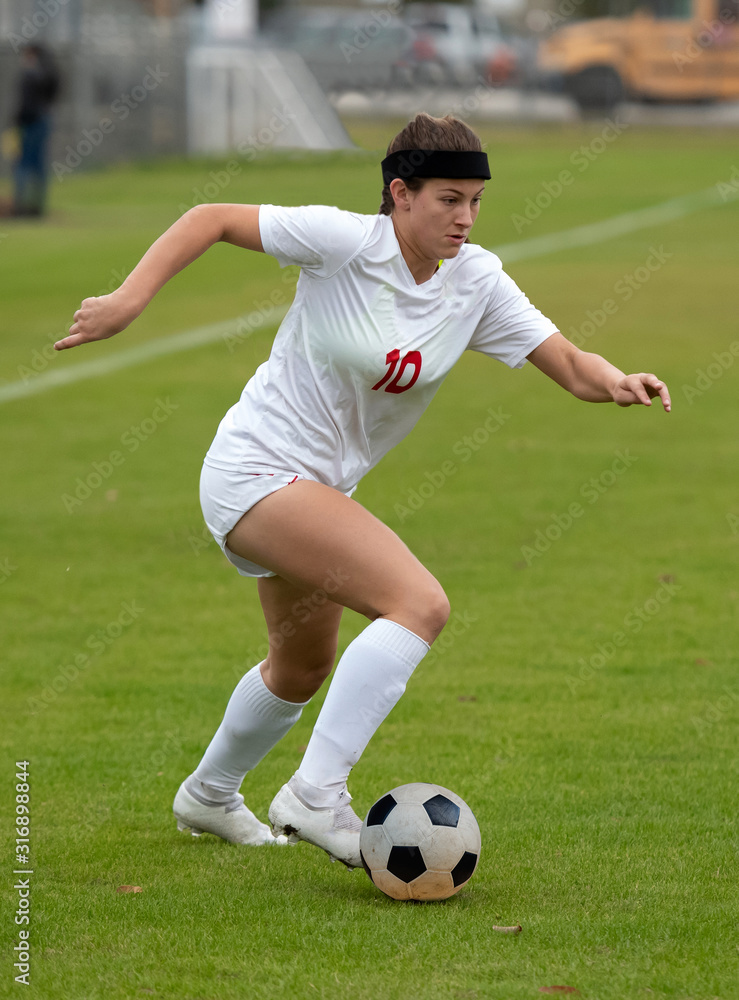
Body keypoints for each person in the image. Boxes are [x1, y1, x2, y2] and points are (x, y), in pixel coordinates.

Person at [55, 113, 671, 870]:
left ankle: (209, 794)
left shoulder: (475, 280)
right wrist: (126, 301)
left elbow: (572, 365)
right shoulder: (343, 241)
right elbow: (209, 217)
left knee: (299, 668)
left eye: (476, 200)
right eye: (448, 199)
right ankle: (315, 794)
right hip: (255, 467)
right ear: (398, 193)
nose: (465, 218)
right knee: (419, 604)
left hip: (317, 487)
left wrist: (617, 382)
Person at [12, 43, 60, 217]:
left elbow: (27, 105)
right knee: (39, 164)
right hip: (44, 120)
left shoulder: (30, 74)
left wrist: (17, 122)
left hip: (30, 123)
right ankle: (37, 207)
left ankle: (20, 206)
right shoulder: (49, 73)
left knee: (23, 163)